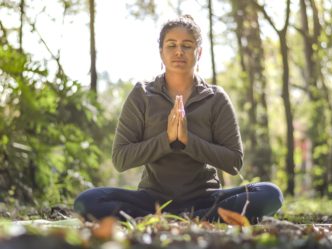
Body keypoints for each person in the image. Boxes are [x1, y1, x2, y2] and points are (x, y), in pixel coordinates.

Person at [74, 15, 283, 223]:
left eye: (187, 45)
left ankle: (182, 218)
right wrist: (166, 140)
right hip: (151, 199)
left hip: (205, 199)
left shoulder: (216, 98)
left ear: (198, 52)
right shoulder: (142, 95)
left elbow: (234, 162)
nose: (179, 51)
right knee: (88, 200)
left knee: (270, 194)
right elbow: (120, 159)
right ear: (161, 53)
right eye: (171, 45)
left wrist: (187, 141)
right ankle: (190, 219)